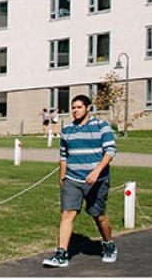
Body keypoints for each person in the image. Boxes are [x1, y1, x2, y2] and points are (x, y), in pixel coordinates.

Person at [43, 94, 118, 268]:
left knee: (98, 216)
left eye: (79, 107)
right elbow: (63, 157)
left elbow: (110, 152)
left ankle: (108, 244)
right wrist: (62, 178)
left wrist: (96, 172)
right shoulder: (67, 130)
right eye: (73, 107)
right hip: (72, 179)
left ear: (88, 108)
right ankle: (61, 254)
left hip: (97, 181)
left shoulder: (101, 126)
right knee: (67, 213)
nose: (75, 111)